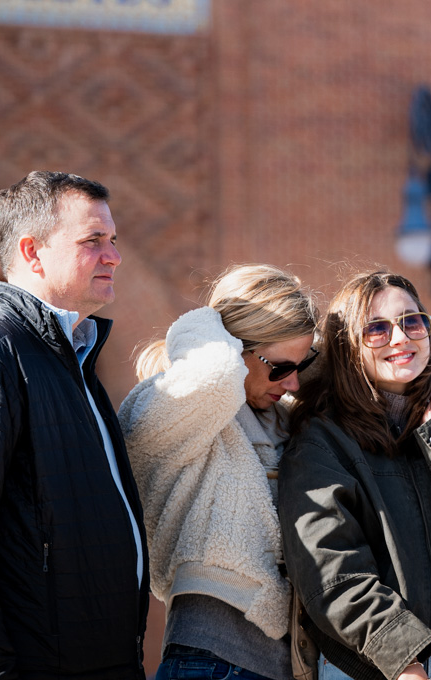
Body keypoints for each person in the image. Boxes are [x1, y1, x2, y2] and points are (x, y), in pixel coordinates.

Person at [0, 171, 148, 679]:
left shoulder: (74, 360)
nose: (114, 256)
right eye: (93, 240)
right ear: (32, 252)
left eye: (113, 240)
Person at [278, 271, 431, 680]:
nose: (400, 337)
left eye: (413, 321)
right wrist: (404, 661)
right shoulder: (322, 442)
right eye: (376, 329)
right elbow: (331, 573)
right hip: (378, 666)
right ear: (348, 347)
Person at [118, 265, 322, 680]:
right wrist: (211, 322)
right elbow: (216, 376)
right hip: (209, 661)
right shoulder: (177, 407)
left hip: (286, 667)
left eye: (301, 365)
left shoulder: (284, 419)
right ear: (234, 348)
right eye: (279, 368)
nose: (293, 383)